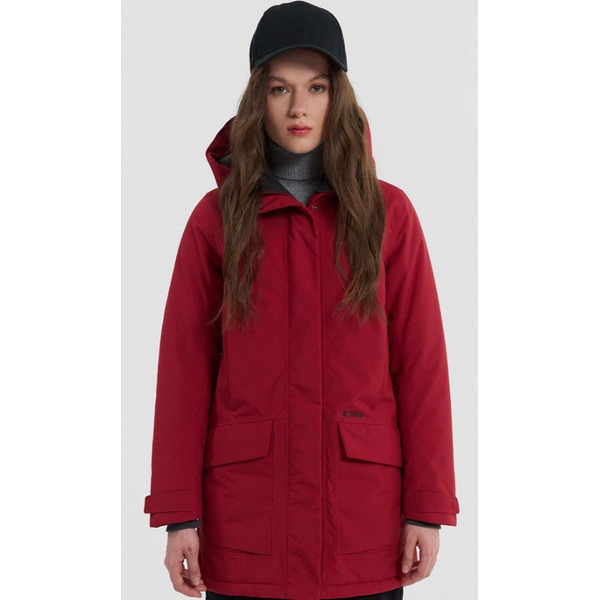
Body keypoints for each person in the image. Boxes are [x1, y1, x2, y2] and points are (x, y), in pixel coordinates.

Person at [143, 2, 460, 599]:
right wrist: (178, 513)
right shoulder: (216, 220)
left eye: (316, 87)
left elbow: (421, 366)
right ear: (256, 99)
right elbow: (184, 370)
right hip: (247, 528)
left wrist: (428, 505)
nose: (298, 107)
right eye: (279, 88)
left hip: (361, 526)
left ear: (338, 96)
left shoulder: (388, 214)